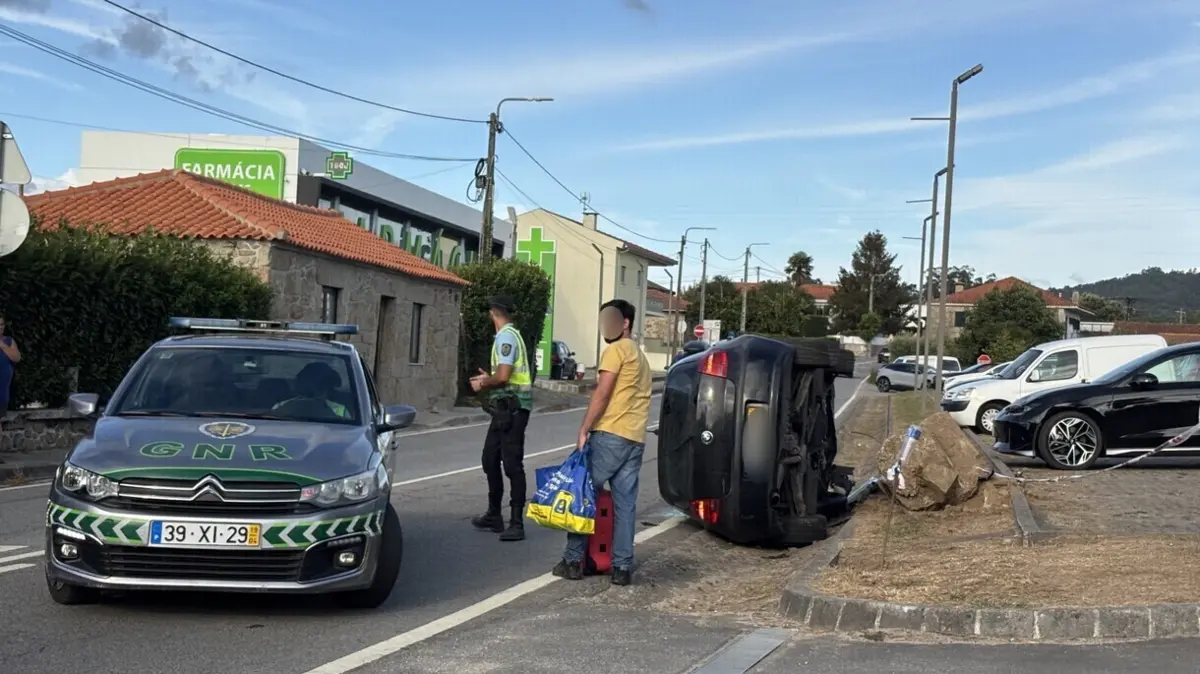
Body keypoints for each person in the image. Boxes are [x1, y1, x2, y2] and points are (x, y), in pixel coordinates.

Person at [554, 299, 651, 586]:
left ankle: (572, 560)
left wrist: (585, 428)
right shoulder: (640, 357)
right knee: (625, 505)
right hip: (635, 437)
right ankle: (622, 567)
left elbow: (603, 393)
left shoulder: (616, 350)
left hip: (610, 434)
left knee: (583, 495)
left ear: (625, 323)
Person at [469, 296, 533, 542]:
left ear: (492, 313)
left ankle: (516, 523)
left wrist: (483, 382)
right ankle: (494, 514)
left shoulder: (506, 337)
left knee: (512, 464)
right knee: (490, 458)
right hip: (504, 409)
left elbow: (504, 376)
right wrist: (490, 377)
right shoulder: (509, 335)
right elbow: (503, 374)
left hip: (513, 408)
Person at [0, 313, 20, 432]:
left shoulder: (8, 341)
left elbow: (16, 358)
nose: (0, 327)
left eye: (2, 324)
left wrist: (2, 346)